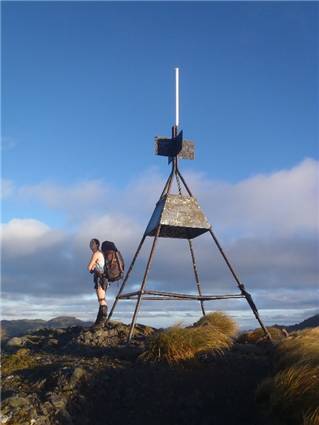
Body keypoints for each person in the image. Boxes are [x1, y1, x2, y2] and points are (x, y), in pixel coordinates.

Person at [87, 238, 108, 328]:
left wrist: (93, 265)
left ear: (97, 245)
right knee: (101, 299)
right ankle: (99, 322)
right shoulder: (101, 253)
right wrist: (94, 266)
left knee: (101, 300)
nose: (91, 245)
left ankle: (101, 322)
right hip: (102, 279)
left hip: (100, 279)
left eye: (93, 243)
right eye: (90, 243)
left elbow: (89, 268)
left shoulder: (96, 254)